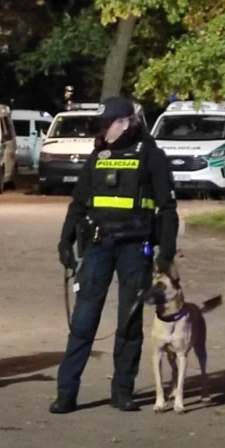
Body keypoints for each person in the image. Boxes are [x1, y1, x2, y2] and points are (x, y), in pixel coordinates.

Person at [50, 95, 178, 414]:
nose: (104, 129)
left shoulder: (151, 155)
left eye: (109, 123)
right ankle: (67, 393)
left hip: (136, 248)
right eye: (102, 124)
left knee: (129, 323)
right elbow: (79, 202)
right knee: (83, 321)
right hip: (97, 245)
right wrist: (65, 240)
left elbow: (167, 208)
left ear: (127, 122)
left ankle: (122, 390)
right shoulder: (98, 155)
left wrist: (166, 253)